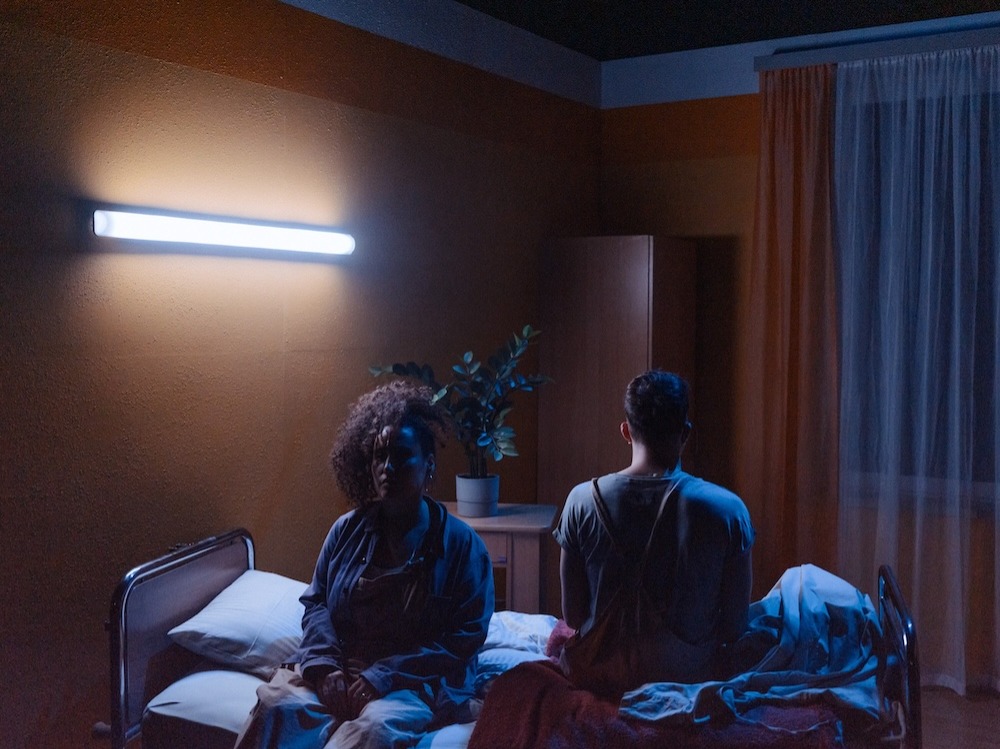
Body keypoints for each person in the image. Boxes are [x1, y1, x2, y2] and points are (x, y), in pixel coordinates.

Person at [235, 380, 494, 749]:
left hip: (411, 684)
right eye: (379, 456)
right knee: (276, 708)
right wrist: (326, 668)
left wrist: (383, 676)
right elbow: (317, 603)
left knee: (372, 732)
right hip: (339, 672)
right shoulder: (346, 531)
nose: (387, 467)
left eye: (401, 455)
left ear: (429, 466)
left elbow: (464, 637)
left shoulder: (463, 547)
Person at [553, 370, 754, 686]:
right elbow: (735, 627)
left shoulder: (581, 501)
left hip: (598, 672)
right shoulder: (727, 510)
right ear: (685, 433)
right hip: (688, 675)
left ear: (626, 431)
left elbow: (574, 616)